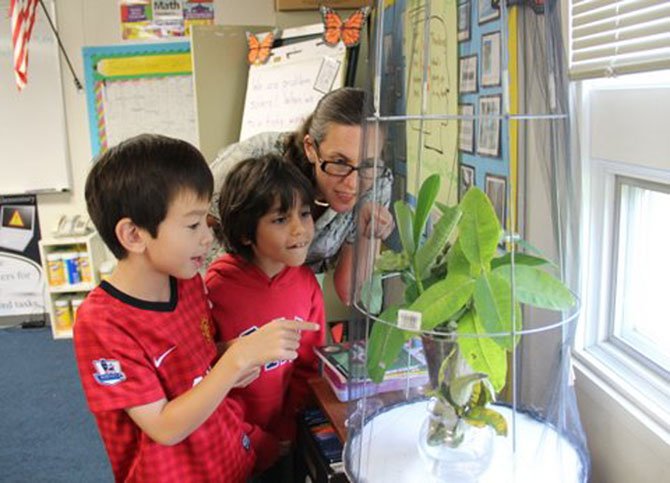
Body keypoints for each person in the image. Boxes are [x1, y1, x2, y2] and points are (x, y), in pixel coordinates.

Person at [74, 134, 318, 482]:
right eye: (192, 225)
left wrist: (233, 353)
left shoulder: (187, 282)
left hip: (228, 457)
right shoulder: (102, 323)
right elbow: (163, 426)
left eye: (206, 220)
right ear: (133, 235)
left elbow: (194, 365)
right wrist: (236, 360)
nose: (207, 237)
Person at [207, 87, 395, 304]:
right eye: (339, 162)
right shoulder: (254, 160)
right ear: (310, 148)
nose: (353, 184)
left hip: (286, 302)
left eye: (367, 164)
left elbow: (350, 293)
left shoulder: (376, 183)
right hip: (216, 297)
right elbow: (189, 222)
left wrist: (367, 235)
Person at [206, 154, 326, 480]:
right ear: (246, 233)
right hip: (228, 440)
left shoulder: (306, 285)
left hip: (284, 437)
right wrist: (252, 438)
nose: (300, 229)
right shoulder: (215, 290)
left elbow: (306, 367)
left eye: (304, 213)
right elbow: (203, 378)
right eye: (280, 219)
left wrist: (286, 430)